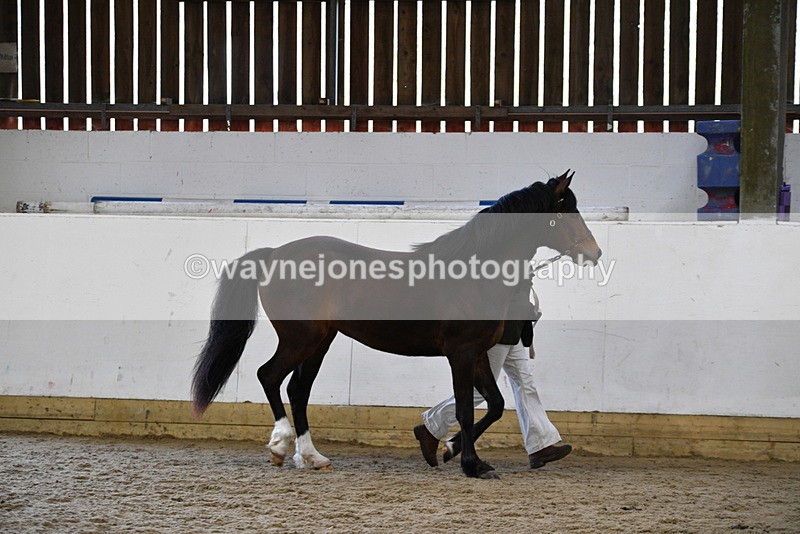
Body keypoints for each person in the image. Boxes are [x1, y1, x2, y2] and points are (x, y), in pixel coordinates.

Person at [413, 286, 572, 469]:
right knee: (480, 393)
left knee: (526, 385)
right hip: (498, 332)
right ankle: (431, 427)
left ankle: (539, 446)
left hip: (515, 330)